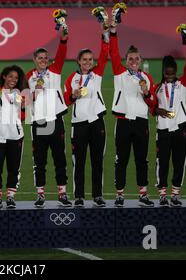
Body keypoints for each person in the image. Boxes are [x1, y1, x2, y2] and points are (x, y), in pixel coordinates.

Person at [109, 21, 157, 207]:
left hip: (141, 123)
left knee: (141, 160)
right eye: (130, 59)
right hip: (122, 122)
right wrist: (113, 32)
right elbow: (113, 52)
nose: (134, 62)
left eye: (137, 59)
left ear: (141, 60)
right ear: (125, 60)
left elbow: (152, 104)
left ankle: (143, 195)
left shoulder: (147, 79)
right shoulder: (119, 73)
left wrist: (146, 93)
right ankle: (119, 195)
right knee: (121, 159)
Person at [63, 28, 109, 207]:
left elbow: (105, 54)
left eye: (90, 59)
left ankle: (97, 195)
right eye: (84, 60)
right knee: (79, 162)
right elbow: (65, 101)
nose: (88, 62)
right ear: (78, 61)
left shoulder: (97, 74)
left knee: (97, 160)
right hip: (78, 124)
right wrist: (73, 95)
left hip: (97, 122)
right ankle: (79, 196)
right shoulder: (71, 79)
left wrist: (105, 35)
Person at [26, 29, 71, 208]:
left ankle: (62, 194)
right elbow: (26, 100)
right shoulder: (29, 76)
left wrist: (63, 39)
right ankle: (41, 195)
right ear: (34, 60)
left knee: (60, 158)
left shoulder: (55, 70)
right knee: (40, 161)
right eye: (40, 58)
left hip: (55, 120)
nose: (43, 60)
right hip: (39, 122)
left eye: (46, 58)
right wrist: (34, 92)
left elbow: (61, 53)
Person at [153, 49, 186, 207]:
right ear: (163, 72)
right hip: (163, 129)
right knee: (162, 162)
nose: (170, 76)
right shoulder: (157, 88)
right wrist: (157, 110)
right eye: (167, 73)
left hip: (180, 128)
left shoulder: (182, 84)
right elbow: (151, 106)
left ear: (175, 72)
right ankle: (162, 195)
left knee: (179, 162)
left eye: (172, 73)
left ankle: (175, 195)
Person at [0, 65, 26, 209]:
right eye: (10, 76)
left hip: (16, 137)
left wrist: (23, 108)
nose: (13, 80)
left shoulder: (19, 95)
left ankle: (10, 197)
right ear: (4, 76)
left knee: (14, 168)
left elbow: (23, 116)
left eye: (16, 78)